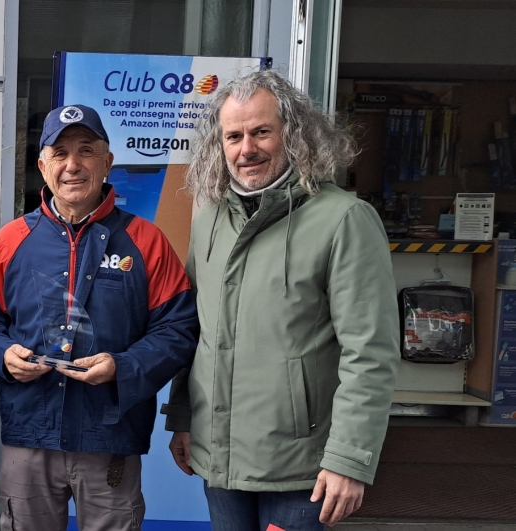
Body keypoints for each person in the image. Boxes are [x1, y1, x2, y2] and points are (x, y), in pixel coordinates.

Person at [162, 70, 400, 530]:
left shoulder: (345, 219)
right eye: (233, 136)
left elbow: (370, 353)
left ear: (294, 134)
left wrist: (349, 459)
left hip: (302, 467)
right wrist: (183, 417)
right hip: (220, 458)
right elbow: (198, 330)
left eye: (261, 132)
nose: (246, 149)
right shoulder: (210, 217)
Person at [0, 104, 199, 531]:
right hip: (29, 433)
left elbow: (178, 329)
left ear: (107, 162)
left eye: (86, 150)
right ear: (43, 167)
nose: (72, 165)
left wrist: (122, 367)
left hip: (110, 436)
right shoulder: (10, 240)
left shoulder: (146, 241)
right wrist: (2, 355)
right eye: (59, 153)